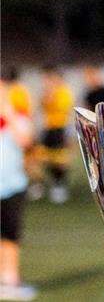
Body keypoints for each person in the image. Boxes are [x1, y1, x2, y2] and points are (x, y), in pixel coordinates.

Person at [0, 78, 38, 301]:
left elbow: (26, 141)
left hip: (12, 186)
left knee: (11, 235)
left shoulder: (18, 118)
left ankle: (10, 279)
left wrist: (9, 114)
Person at [32, 65, 74, 204]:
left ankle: (60, 184)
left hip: (60, 128)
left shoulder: (64, 91)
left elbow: (62, 108)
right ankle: (43, 184)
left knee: (60, 159)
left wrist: (51, 93)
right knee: (44, 157)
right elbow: (40, 106)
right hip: (48, 128)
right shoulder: (46, 91)